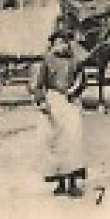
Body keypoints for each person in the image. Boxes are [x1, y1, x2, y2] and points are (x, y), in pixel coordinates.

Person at [32, 28, 89, 197]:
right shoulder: (47, 61)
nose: (61, 46)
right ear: (52, 44)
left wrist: (75, 91)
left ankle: (72, 182)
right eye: (58, 42)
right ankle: (60, 183)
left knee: (72, 142)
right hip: (54, 102)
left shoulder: (75, 61)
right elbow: (39, 84)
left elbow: (82, 80)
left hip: (70, 104)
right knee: (55, 142)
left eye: (64, 42)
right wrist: (41, 101)